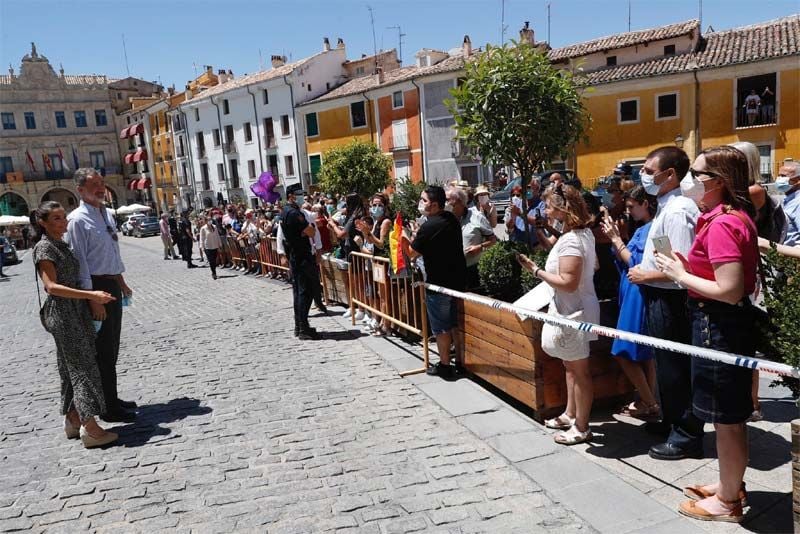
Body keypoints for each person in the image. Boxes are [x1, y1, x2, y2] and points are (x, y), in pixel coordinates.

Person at [656, 146, 758, 523]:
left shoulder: (722, 223)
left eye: (696, 173)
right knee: (727, 416)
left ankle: (728, 500)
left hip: (718, 324)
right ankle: (729, 484)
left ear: (716, 182)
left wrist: (681, 276)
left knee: (726, 419)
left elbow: (729, 288)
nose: (689, 180)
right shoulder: (727, 217)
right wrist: (686, 267)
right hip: (719, 322)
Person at [629, 146, 703, 460]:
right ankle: (672, 421)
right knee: (666, 368)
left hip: (673, 301)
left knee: (677, 370)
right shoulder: (666, 206)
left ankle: (686, 436)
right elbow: (664, 253)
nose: (643, 176)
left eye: (648, 170)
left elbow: (679, 270)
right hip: (661, 298)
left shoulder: (678, 210)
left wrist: (647, 276)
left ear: (670, 174)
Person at [518, 184, 599, 445]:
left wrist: (535, 271)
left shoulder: (573, 240)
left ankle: (582, 426)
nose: (545, 210)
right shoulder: (580, 234)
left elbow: (568, 281)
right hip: (574, 307)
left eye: (549, 206)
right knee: (570, 365)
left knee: (580, 370)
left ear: (562, 208)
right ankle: (570, 413)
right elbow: (593, 266)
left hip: (573, 310)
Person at [33, 201, 119, 448]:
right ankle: (90, 428)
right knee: (84, 368)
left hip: (75, 311)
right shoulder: (45, 248)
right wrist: (92, 296)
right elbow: (51, 287)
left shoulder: (62, 245)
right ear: (43, 222)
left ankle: (72, 420)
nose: (64, 222)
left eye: (64, 217)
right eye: (57, 218)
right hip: (64, 314)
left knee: (69, 368)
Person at [66, 168, 136, 423]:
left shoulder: (106, 214)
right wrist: (91, 297)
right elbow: (79, 262)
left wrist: (121, 281)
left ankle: (111, 397)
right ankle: (106, 407)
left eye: (102, 183)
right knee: (102, 350)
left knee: (112, 346)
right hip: (95, 286)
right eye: (94, 185)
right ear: (80, 190)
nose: (100, 188)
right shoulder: (77, 220)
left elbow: (112, 253)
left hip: (111, 283)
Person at [602, 186, 658, 419]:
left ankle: (650, 401)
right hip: (632, 292)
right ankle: (648, 399)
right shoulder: (642, 228)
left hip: (638, 294)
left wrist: (616, 240)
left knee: (623, 350)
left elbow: (636, 262)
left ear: (646, 204)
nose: (628, 211)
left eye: (631, 207)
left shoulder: (650, 229)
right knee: (645, 352)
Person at [400, 185, 467, 378]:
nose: (421, 204)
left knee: (441, 328)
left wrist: (404, 238)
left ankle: (445, 364)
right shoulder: (451, 219)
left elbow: (412, 253)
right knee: (455, 325)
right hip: (457, 282)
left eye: (424, 201)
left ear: (435, 204)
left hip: (438, 284)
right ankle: (461, 362)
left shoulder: (430, 226)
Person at [282, 184, 321, 340]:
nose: (301, 197)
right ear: (291, 195)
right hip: (301, 256)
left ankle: (300, 326)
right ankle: (303, 327)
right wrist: (309, 229)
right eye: (298, 195)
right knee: (306, 291)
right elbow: (311, 231)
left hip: (296, 255)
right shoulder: (293, 213)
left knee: (299, 292)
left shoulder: (286, 211)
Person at [447, 186, 496, 291]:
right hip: (453, 270)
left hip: (473, 270)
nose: (446, 204)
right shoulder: (447, 219)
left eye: (448, 200)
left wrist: (480, 247)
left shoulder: (477, 217)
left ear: (459, 202)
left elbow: (493, 240)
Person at [328, 193, 365, 320]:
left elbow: (342, 234)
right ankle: (352, 306)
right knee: (350, 282)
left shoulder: (356, 215)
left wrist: (333, 226)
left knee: (358, 282)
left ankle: (361, 309)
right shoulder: (351, 214)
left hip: (356, 252)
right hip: (348, 250)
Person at [778, 161, 800, 247]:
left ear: (798, 180)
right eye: (778, 175)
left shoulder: (798, 203)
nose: (779, 179)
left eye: (783, 176)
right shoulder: (788, 200)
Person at [200, 216, 222, 280]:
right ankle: (213, 273)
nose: (210, 221)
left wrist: (219, 244)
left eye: (211, 220)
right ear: (206, 221)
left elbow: (217, 236)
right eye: (208, 220)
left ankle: (214, 270)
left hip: (214, 245)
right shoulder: (203, 228)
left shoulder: (214, 227)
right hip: (207, 246)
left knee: (214, 260)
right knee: (211, 260)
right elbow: (202, 238)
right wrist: (202, 247)